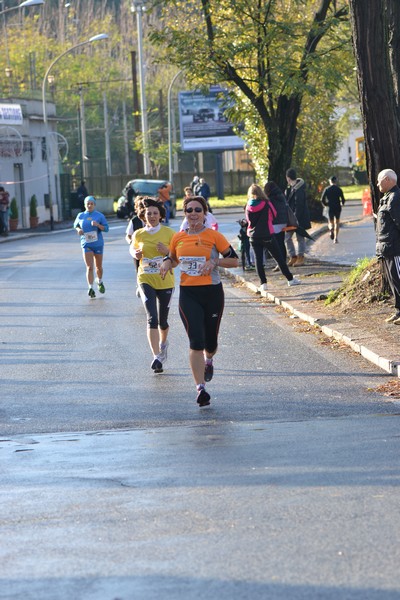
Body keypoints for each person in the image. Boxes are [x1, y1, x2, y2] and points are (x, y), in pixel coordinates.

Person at [160, 195, 238, 407]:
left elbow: (235, 260)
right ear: (185, 214)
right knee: (196, 341)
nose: (193, 214)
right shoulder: (178, 237)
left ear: (204, 214)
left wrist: (215, 261)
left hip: (212, 293)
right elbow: (173, 258)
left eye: (197, 210)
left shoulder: (215, 236)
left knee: (210, 343)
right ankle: (200, 388)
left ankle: (209, 359)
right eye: (189, 210)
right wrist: (167, 263)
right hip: (189, 294)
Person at [130, 197, 175, 372]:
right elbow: (132, 249)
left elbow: (178, 255)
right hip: (145, 278)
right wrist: (136, 253)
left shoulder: (169, 233)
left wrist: (167, 252)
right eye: (149, 213)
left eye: (155, 213)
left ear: (161, 215)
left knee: (163, 321)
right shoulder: (138, 234)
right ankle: (156, 357)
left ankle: (163, 343)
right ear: (144, 215)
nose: (152, 216)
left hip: (165, 281)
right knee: (152, 318)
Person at [245, 184, 301, 292]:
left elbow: (248, 220)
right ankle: (290, 279)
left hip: (253, 236)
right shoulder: (266, 203)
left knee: (258, 260)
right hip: (267, 234)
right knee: (279, 258)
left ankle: (263, 284)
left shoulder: (248, 205)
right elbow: (274, 214)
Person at [375, 169, 400, 324]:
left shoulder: (395, 198)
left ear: (387, 180)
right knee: (393, 282)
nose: (377, 184)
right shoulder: (387, 198)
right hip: (387, 248)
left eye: (379, 181)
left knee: (398, 280)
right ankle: (398, 311)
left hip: (395, 247)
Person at [73, 195, 109, 298]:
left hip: (98, 244)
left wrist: (98, 225)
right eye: (88, 203)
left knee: (99, 267)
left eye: (91, 203)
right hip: (86, 244)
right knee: (89, 267)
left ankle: (100, 281)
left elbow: (106, 229)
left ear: (94, 205)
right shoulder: (80, 215)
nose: (89, 205)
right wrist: (78, 230)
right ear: (85, 205)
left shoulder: (100, 216)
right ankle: (90, 287)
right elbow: (75, 225)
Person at [284, 168, 311, 266]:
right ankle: (293, 257)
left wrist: (295, 219)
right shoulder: (292, 188)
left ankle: (300, 258)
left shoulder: (298, 189)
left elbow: (299, 206)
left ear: (288, 178)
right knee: (287, 238)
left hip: (298, 219)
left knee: (300, 238)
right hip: (292, 218)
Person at [264, 181, 289, 272]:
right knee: (281, 243)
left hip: (275, 223)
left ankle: (280, 264)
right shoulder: (281, 196)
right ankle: (283, 262)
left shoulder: (270, 198)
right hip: (283, 222)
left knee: (276, 245)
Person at [125, 196, 145, 297]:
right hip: (138, 250)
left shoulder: (152, 217)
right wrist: (131, 242)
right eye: (139, 207)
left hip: (152, 250)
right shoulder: (134, 221)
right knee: (138, 268)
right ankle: (140, 285)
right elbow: (128, 235)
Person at [320, 175, 345, 243]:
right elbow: (343, 199)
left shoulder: (327, 189)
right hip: (337, 207)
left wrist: (325, 204)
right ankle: (336, 238)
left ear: (330, 181)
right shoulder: (339, 189)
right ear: (335, 181)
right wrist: (341, 204)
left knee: (330, 221)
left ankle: (331, 229)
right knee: (337, 222)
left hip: (330, 207)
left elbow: (322, 199)